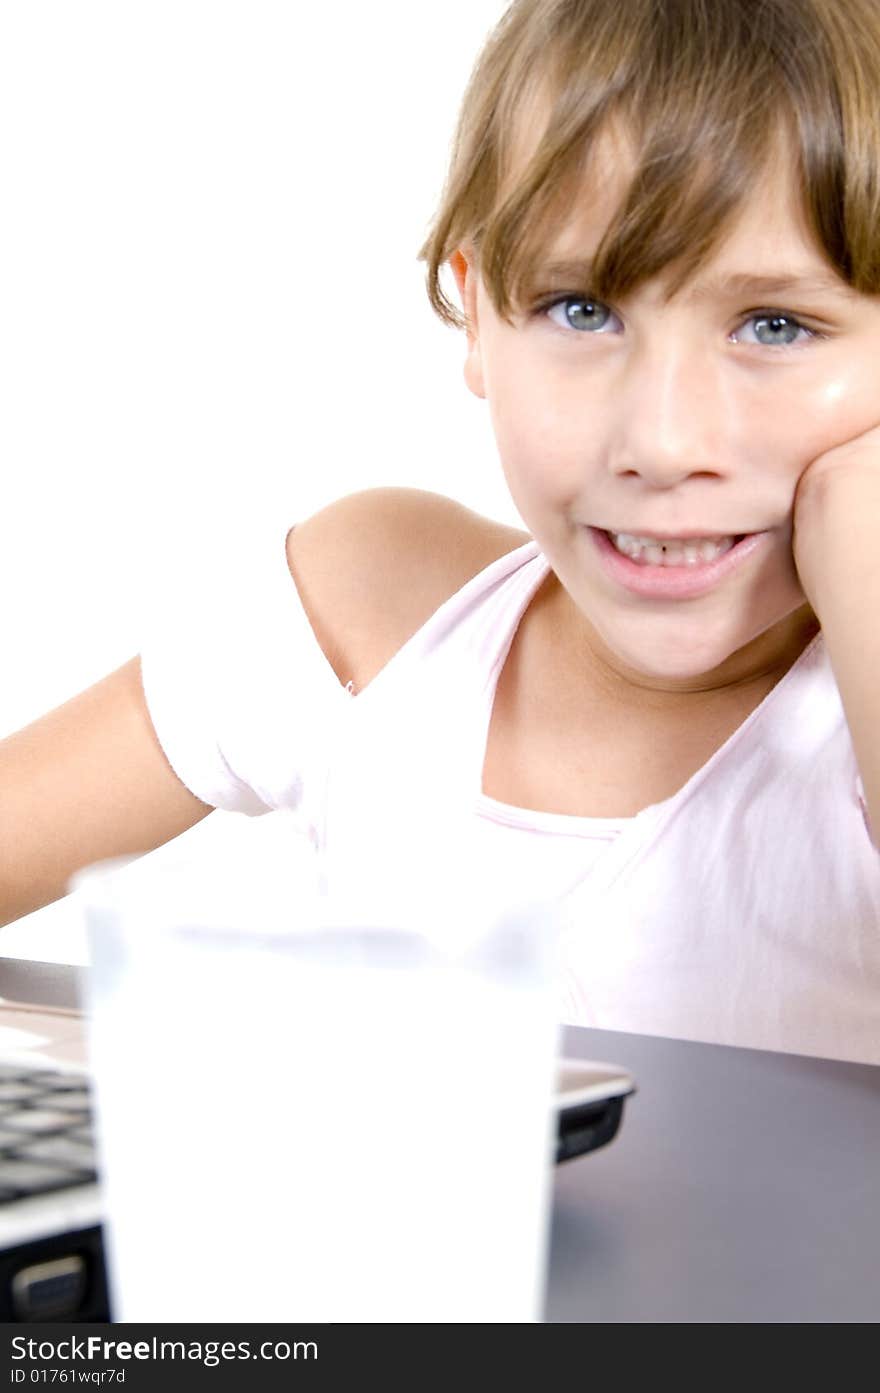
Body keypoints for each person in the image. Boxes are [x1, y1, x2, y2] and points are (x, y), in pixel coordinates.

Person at [2, 0, 880, 1063]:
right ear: (474, 316)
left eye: (775, 327)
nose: (661, 441)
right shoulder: (380, 611)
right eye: (581, 309)